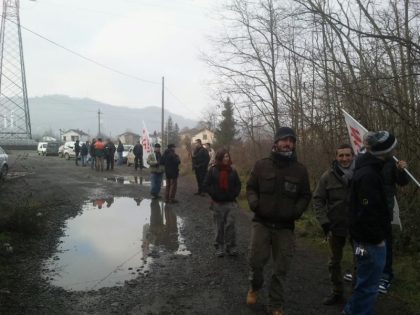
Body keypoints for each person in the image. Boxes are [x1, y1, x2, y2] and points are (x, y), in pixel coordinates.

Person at [246, 127, 311, 315]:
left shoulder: (300, 170)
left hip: (285, 227)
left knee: (281, 268)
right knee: (256, 262)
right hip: (262, 223)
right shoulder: (261, 165)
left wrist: (297, 211)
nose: (288, 143)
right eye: (284, 140)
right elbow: (251, 187)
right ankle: (254, 287)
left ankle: (275, 304)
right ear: (276, 143)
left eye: (291, 140)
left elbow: (305, 195)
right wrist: (254, 203)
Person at [343, 131, 398, 315]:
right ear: (385, 150)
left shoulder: (371, 169)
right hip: (370, 243)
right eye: (393, 146)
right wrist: (378, 239)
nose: (395, 149)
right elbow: (367, 212)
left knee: (365, 284)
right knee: (368, 287)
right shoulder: (369, 175)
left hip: (367, 240)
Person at [362, 132, 409, 294]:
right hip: (368, 211)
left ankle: (386, 275)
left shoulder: (391, 162)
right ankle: (363, 271)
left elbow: (402, 182)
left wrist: (401, 171)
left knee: (386, 245)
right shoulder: (365, 160)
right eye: (365, 143)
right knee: (366, 244)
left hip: (385, 211)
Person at [313, 143, 355, 305]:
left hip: (357, 228)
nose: (344, 158)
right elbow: (317, 199)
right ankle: (337, 292)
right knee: (333, 262)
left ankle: (356, 295)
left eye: (347, 155)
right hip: (335, 227)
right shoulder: (327, 176)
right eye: (341, 155)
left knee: (359, 263)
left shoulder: (360, 174)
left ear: (352, 156)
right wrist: (324, 222)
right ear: (336, 157)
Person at [204, 149, 241, 257]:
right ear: (220, 158)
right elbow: (206, 184)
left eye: (228, 156)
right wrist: (214, 194)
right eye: (225, 156)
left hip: (230, 203)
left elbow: (238, 184)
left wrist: (234, 194)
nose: (227, 158)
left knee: (231, 226)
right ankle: (219, 247)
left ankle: (231, 247)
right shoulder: (212, 170)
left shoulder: (233, 170)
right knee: (219, 227)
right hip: (217, 204)